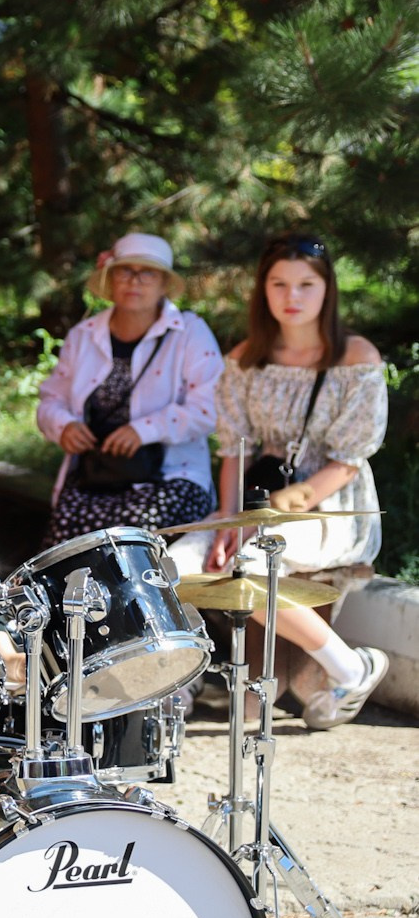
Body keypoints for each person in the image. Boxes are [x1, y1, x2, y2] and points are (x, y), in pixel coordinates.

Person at [204, 232, 390, 729]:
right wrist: (228, 520)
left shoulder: (355, 358)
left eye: (306, 284)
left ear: (327, 290)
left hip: (332, 502)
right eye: (279, 284)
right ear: (262, 290)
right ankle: (191, 686)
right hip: (259, 497)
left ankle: (352, 668)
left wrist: (273, 515)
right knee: (176, 561)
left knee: (250, 566)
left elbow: (348, 461)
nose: (292, 297)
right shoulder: (246, 358)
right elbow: (232, 452)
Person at [35, 232, 225, 546]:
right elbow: (49, 401)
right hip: (97, 477)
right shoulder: (83, 335)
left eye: (147, 273)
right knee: (65, 550)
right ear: (110, 279)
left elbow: (210, 409)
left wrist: (143, 430)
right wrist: (64, 426)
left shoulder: (190, 331)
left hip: (171, 477)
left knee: (133, 539)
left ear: (164, 283)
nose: (134, 281)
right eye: (125, 271)